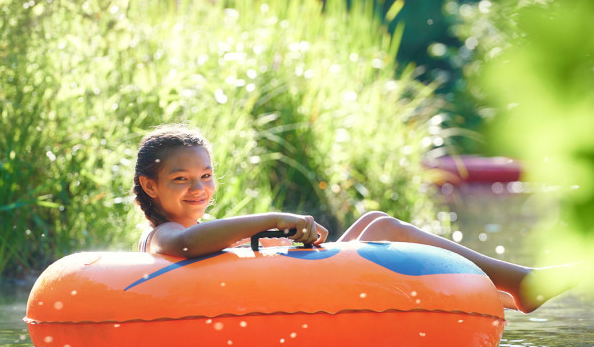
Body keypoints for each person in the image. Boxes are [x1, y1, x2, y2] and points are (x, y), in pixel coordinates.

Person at [133, 123, 561, 313]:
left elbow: (227, 253)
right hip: (296, 305)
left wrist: (281, 241)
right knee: (379, 228)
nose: (198, 189)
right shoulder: (162, 235)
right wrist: (276, 217)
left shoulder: (209, 230)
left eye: (205, 176)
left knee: (380, 223)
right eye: (180, 179)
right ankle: (516, 286)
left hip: (298, 292)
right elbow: (183, 247)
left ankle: (507, 288)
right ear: (151, 186)